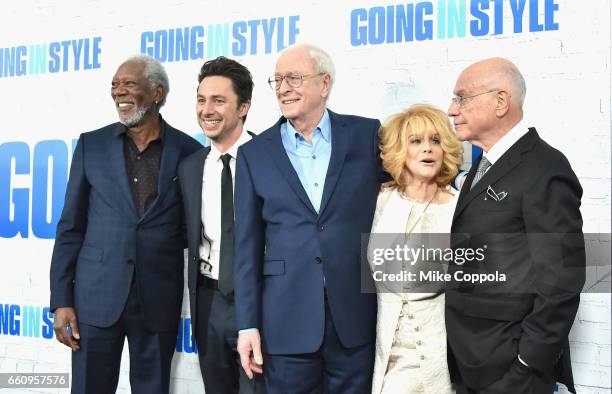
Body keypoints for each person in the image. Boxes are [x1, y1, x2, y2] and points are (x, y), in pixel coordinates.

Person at [234, 43, 384, 393]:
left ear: (325, 84)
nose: (283, 88)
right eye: (277, 80)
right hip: (285, 321)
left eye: (294, 78)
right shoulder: (254, 155)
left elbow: (405, 193)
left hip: (355, 317)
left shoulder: (366, 136)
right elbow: (245, 249)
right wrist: (247, 325)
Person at [49, 55, 202, 394]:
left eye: (129, 84)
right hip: (95, 296)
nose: (119, 91)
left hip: (157, 297)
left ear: (157, 91)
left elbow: (190, 228)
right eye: (115, 85)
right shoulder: (92, 145)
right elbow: (70, 226)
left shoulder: (190, 152)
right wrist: (61, 299)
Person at [445, 57, 585, 394]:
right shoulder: (482, 168)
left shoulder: (545, 168)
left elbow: (562, 281)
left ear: (500, 102)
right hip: (468, 363)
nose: (451, 109)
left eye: (462, 98)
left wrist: (527, 365)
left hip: (511, 371)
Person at [178, 56, 265, 393]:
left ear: (243, 107)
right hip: (208, 303)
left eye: (218, 100)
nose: (206, 109)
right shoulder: (190, 168)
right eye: (201, 99)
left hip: (259, 302)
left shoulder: (270, 157)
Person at [369, 104, 463, 394]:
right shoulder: (381, 201)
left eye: (435, 141)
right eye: (416, 141)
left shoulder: (459, 207)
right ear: (400, 149)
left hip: (439, 355)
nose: (428, 149)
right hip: (389, 356)